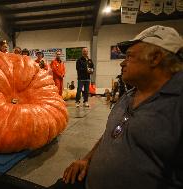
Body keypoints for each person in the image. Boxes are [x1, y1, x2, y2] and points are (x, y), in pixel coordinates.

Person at [50, 25, 183, 189]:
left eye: (129, 56)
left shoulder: (177, 106)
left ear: (155, 58)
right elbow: (111, 134)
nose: (122, 63)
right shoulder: (129, 95)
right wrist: (87, 159)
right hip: (87, 180)